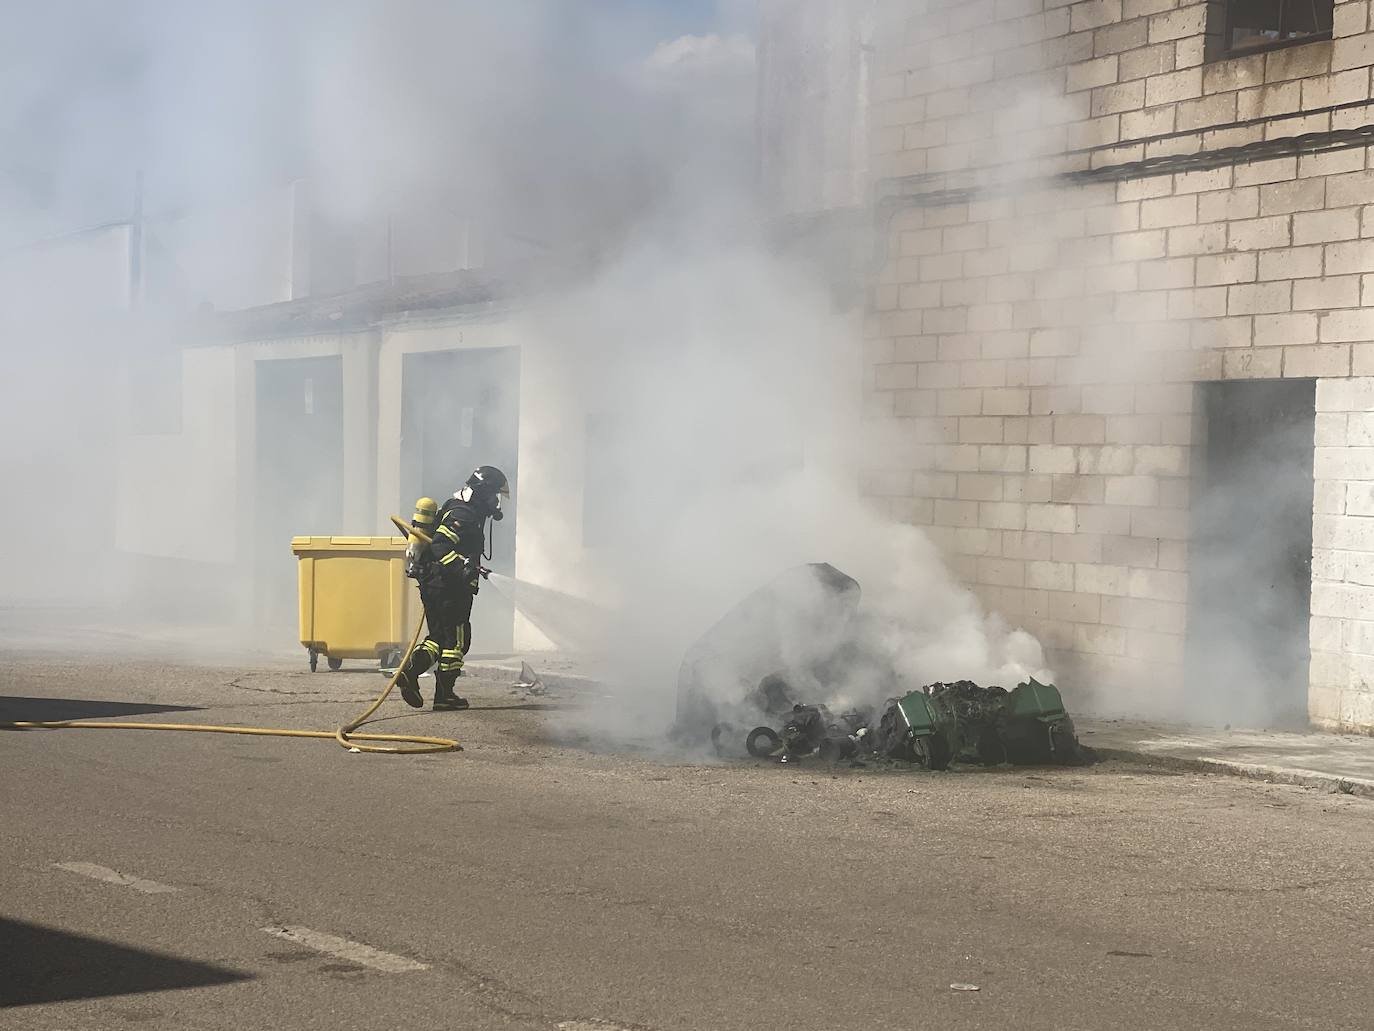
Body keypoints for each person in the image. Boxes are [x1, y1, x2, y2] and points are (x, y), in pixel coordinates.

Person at [396, 465, 510, 710]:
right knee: (456, 643)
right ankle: (444, 696)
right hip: (449, 588)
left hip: (435, 584)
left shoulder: (457, 507)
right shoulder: (465, 515)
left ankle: (411, 673)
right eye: (493, 496)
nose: (496, 503)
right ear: (483, 493)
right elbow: (440, 546)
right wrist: (463, 568)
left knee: (437, 638)